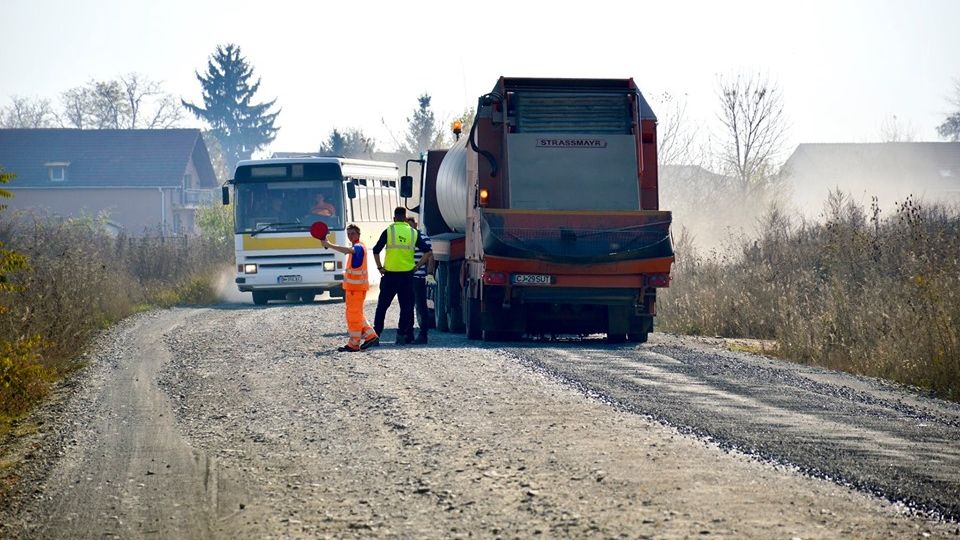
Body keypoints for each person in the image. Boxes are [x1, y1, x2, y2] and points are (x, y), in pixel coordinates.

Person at [372, 207, 432, 345]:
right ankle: (400, 335)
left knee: (382, 306)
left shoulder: (389, 231)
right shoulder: (413, 232)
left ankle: (376, 335)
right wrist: (417, 266)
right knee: (406, 307)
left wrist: (380, 267)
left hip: (390, 275)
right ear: (405, 218)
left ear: (394, 218)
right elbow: (428, 251)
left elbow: (376, 250)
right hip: (407, 276)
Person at [321, 224, 378, 352]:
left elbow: (348, 251)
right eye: (348, 234)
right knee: (357, 315)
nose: (350, 236)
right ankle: (370, 336)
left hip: (355, 289)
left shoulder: (358, 247)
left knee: (353, 316)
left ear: (358, 234)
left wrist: (329, 245)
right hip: (354, 288)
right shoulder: (359, 246)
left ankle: (354, 343)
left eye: (352, 233)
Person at [406, 217, 434, 344]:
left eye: (411, 226)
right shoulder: (405, 238)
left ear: (416, 225)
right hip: (408, 277)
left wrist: (428, 273)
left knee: (421, 306)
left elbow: (430, 255)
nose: (410, 228)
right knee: (408, 306)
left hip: (418, 277)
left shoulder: (423, 237)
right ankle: (410, 333)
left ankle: (423, 334)